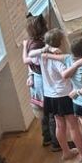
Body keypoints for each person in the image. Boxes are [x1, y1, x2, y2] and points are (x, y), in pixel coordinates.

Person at [29, 29, 82, 162]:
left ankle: (66, 152)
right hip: (63, 95)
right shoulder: (58, 59)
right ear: (60, 42)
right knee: (73, 125)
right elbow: (65, 74)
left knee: (60, 125)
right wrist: (77, 64)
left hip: (50, 95)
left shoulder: (42, 56)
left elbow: (30, 54)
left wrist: (45, 49)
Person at [22, 14, 53, 149]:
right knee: (49, 112)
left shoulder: (29, 42)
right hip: (42, 81)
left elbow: (28, 62)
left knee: (44, 112)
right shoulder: (37, 45)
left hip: (36, 79)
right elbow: (28, 60)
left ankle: (47, 137)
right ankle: (56, 141)